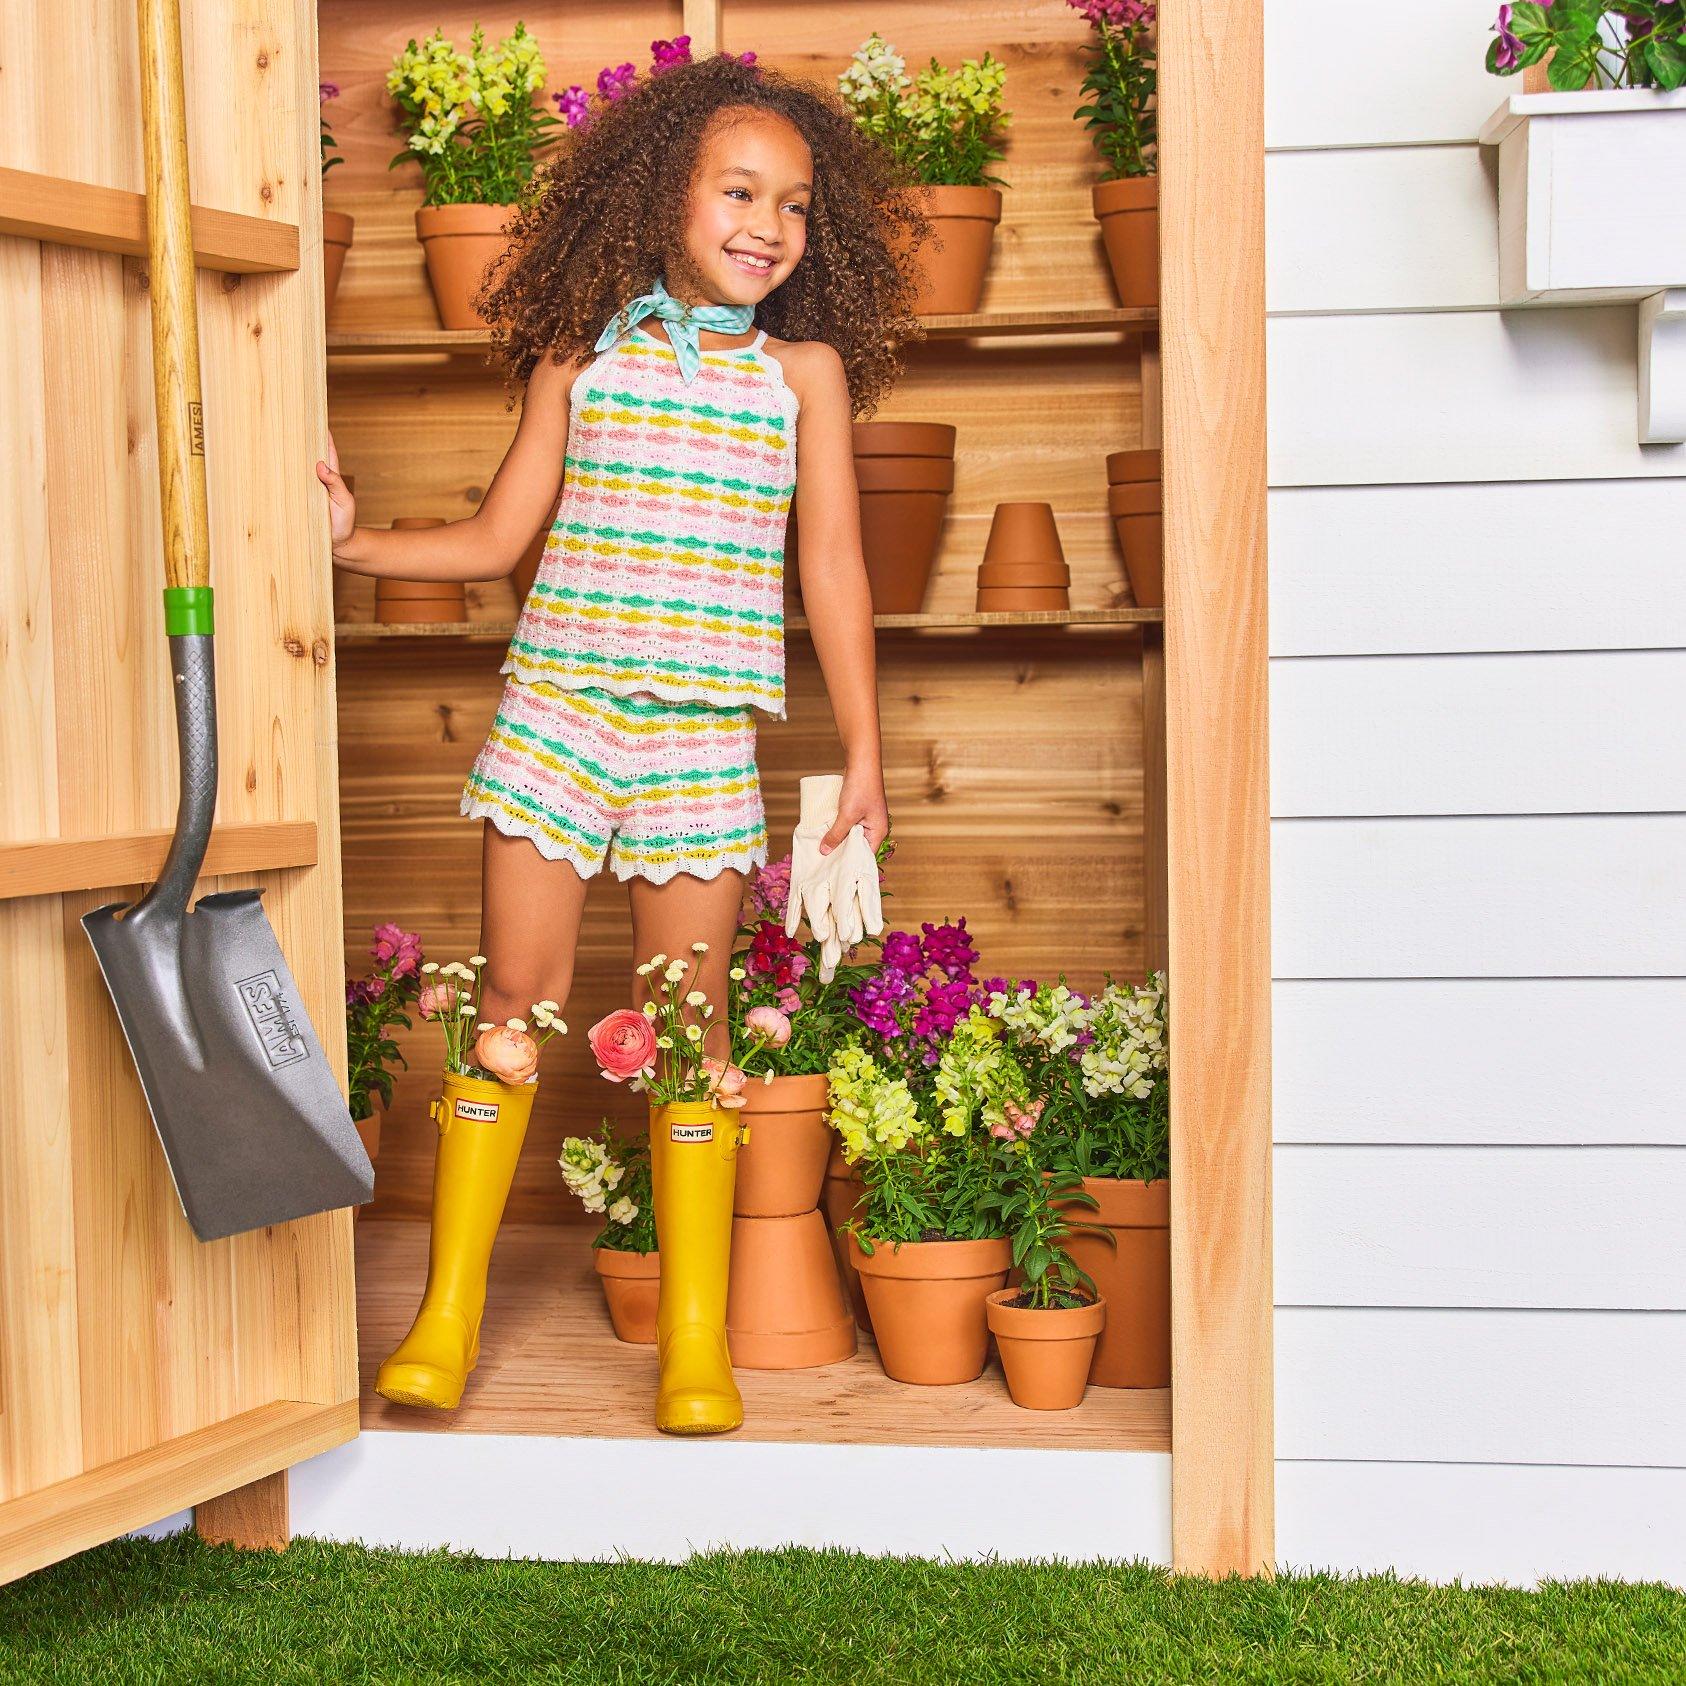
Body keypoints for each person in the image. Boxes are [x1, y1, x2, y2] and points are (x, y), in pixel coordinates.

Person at [316, 52, 923, 1431]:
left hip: (702, 738)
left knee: (695, 1035)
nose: (767, 224)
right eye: (737, 190)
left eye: (793, 204)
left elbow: (832, 565)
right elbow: (492, 540)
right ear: (663, 195)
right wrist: (353, 542)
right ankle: (446, 1322)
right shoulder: (576, 358)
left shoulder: (803, 377)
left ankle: (691, 1344)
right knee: (511, 1017)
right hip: (557, 718)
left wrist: (865, 752)